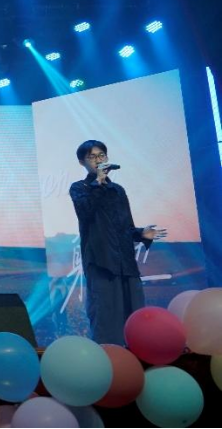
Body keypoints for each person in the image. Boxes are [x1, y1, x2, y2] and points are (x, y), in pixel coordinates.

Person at [70, 140, 166, 345]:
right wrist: (98, 182)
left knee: (136, 317)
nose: (98, 160)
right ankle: (108, 358)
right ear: (81, 162)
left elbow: (125, 227)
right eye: (92, 156)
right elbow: (85, 213)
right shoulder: (80, 188)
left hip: (126, 262)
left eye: (102, 155)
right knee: (106, 317)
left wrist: (142, 233)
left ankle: (138, 357)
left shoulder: (118, 191)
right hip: (101, 262)